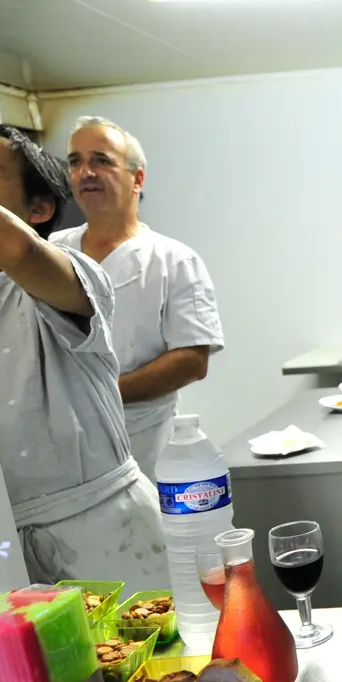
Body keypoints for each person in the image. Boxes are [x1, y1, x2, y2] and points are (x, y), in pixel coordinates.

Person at [0, 122, 167, 591]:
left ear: (38, 208)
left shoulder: (75, 274)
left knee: (157, 660)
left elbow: (14, 247)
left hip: (106, 533)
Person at [52, 116, 224, 480]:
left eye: (101, 160)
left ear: (137, 179)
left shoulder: (173, 259)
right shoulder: (49, 253)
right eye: (75, 162)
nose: (86, 172)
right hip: (57, 448)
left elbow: (192, 359)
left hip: (143, 448)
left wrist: (100, 393)